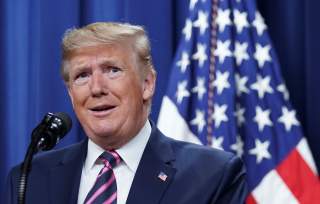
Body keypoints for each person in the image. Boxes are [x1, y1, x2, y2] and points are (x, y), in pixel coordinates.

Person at [5, 22, 247, 204]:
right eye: (82, 76)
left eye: (112, 70)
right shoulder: (29, 179)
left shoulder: (213, 175)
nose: (96, 88)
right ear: (70, 93)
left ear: (147, 84)